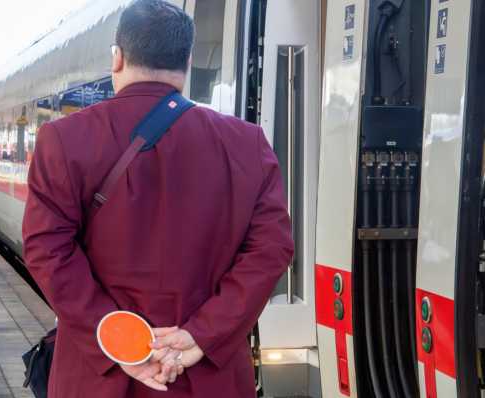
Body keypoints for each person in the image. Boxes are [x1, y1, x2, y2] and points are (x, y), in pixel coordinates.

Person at [21, 1, 294, 397]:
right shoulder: (247, 143)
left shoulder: (64, 139)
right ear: (187, 61)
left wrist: (122, 343)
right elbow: (272, 249)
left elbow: (46, 250)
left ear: (117, 58)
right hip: (209, 378)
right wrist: (203, 335)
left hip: (101, 379)